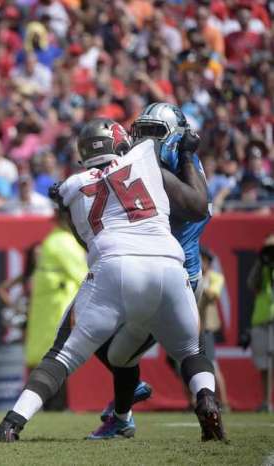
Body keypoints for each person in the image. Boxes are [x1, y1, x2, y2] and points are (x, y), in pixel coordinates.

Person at [0, 117, 225, 443]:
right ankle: (206, 399)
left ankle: (12, 424)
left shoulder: (71, 186)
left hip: (116, 265)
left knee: (62, 355)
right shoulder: (144, 159)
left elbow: (86, 240)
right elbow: (196, 205)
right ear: (120, 145)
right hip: (169, 263)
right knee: (191, 352)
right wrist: (186, 154)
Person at [90, 103, 213, 438]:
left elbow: (198, 207)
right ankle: (205, 399)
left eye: (154, 131)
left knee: (100, 338)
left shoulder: (162, 171)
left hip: (163, 272)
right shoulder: (188, 165)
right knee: (188, 349)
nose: (144, 139)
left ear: (176, 135)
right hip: (178, 272)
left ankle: (125, 408)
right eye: (140, 130)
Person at [22, 208, 87, 411]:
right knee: (59, 356)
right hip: (58, 312)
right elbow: (84, 277)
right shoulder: (64, 243)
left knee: (48, 357)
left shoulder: (54, 241)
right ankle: (57, 405)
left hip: (50, 312)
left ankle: (51, 405)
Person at [244, 234, 274, 412]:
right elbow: (252, 285)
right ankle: (265, 401)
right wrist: (261, 262)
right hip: (261, 319)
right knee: (264, 364)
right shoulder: (262, 265)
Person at [198, 246, 229, 411]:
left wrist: (199, 281)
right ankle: (193, 402)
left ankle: (224, 402)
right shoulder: (191, 276)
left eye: (202, 259)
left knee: (212, 365)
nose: (199, 263)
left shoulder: (215, 277)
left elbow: (213, 295)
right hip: (193, 326)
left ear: (208, 262)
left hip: (207, 327)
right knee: (185, 364)